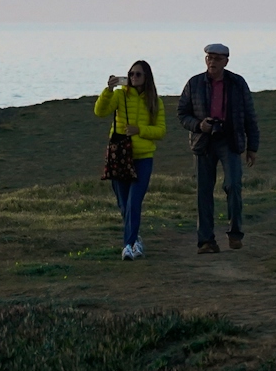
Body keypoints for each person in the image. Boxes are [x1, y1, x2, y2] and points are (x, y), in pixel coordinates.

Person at [177, 44, 259, 254]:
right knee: (204, 192)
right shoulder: (194, 83)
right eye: (209, 58)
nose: (212, 62)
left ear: (226, 61)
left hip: (230, 140)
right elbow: (182, 114)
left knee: (233, 185)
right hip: (203, 142)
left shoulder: (237, 83)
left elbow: (249, 115)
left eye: (217, 58)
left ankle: (235, 234)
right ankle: (206, 241)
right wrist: (199, 125)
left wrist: (252, 147)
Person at [95, 60, 166, 260]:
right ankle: (135, 240)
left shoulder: (155, 102)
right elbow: (100, 111)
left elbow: (161, 131)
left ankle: (128, 245)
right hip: (120, 156)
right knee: (124, 204)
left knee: (134, 202)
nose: (134, 78)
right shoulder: (119, 95)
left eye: (138, 75)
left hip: (143, 158)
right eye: (132, 74)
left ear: (147, 78)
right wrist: (108, 90)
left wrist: (139, 130)